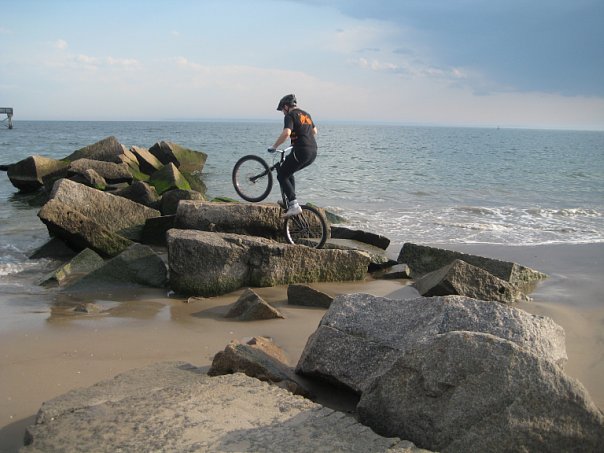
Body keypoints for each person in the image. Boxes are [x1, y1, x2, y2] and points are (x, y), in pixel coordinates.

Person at [268, 94, 318, 217]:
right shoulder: (306, 115)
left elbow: (287, 133)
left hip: (301, 151)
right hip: (313, 151)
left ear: (286, 106)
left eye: (282, 110)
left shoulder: (290, 115)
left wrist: (274, 146)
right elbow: (314, 131)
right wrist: (300, 138)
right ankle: (291, 201)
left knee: (281, 175)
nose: (283, 112)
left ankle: (294, 205)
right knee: (288, 172)